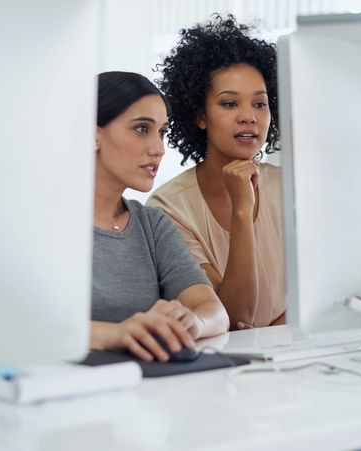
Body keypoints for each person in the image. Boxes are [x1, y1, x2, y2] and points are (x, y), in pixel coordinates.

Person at [148, 15, 284, 330]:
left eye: (260, 104)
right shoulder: (168, 209)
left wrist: (281, 330)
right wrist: (241, 209)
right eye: (229, 104)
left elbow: (320, 304)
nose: (249, 117)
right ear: (200, 116)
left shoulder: (291, 187)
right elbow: (232, 319)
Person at [91, 71, 229, 361]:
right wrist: (114, 334)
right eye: (142, 129)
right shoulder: (44, 225)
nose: (159, 149)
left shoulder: (152, 224)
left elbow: (214, 311)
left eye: (162, 132)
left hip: (145, 388)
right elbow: (17, 321)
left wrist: (193, 322)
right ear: (93, 135)